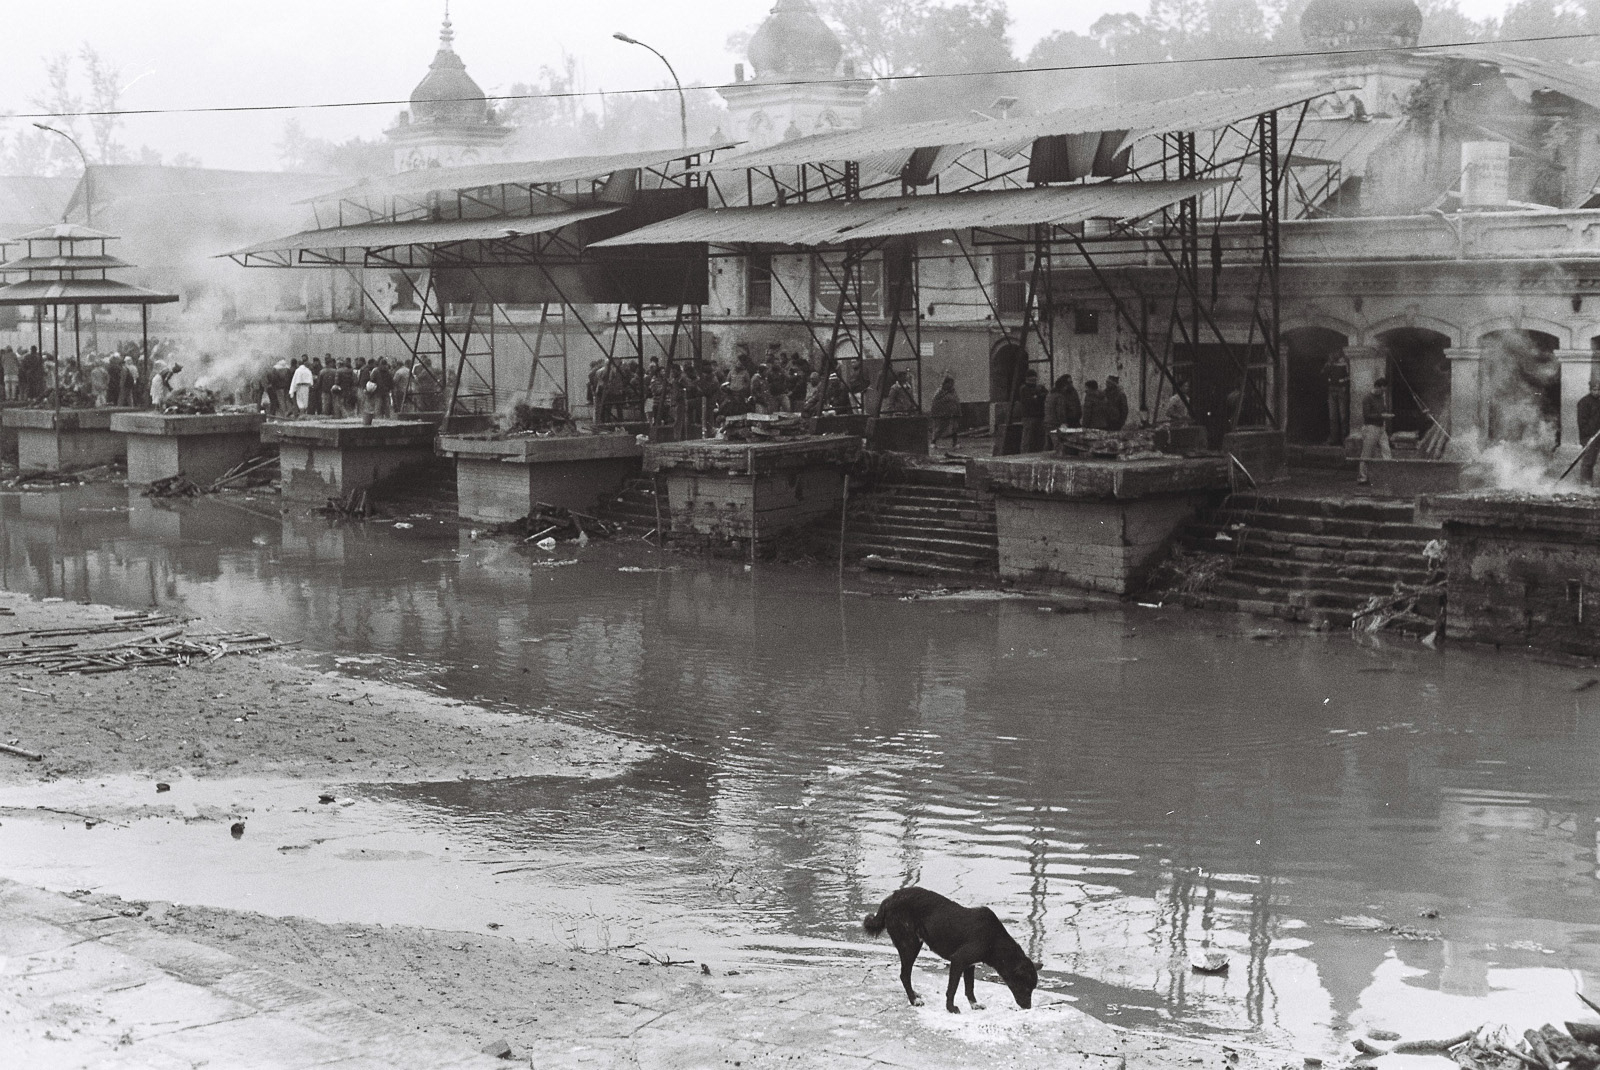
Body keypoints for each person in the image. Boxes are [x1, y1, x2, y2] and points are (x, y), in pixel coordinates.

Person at [1357, 377, 1392, 485]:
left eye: (1384, 390)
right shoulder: (1367, 398)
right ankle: (1362, 478)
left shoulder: (1381, 397)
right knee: (1367, 454)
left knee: (1387, 451)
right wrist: (1381, 415)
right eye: (1381, 390)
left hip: (1381, 428)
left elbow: (1383, 409)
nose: (1383, 392)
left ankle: (1389, 476)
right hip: (1371, 428)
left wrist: (1386, 414)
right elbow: (1366, 415)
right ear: (1376, 387)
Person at [1324, 348, 1351, 446]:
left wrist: (1343, 381)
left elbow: (1350, 376)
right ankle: (1333, 438)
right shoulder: (1330, 364)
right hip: (1332, 390)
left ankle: (1344, 439)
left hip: (1341, 390)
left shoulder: (1345, 363)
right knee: (1332, 416)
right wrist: (1328, 365)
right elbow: (1323, 373)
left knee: (1343, 416)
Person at [1018, 370, 1047, 452]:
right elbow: (1029, 401)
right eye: (1032, 377)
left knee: (1039, 438)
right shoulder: (1024, 388)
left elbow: (1045, 395)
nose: (1034, 379)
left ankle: (1038, 452)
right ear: (1027, 378)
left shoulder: (1039, 387)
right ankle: (1024, 454)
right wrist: (1037, 396)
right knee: (1027, 438)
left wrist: (1036, 396)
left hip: (1039, 415)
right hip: (1029, 416)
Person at [1578, 379, 1600, 486]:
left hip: (1599, 435)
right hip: (1589, 437)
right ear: (1590, 389)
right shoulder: (1584, 402)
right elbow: (1582, 423)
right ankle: (1585, 485)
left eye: (1599, 390)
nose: (1597, 392)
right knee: (1588, 462)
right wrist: (1591, 434)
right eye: (1595, 389)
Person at [930, 376, 960, 447]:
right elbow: (935, 402)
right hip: (942, 414)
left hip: (952, 412)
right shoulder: (940, 392)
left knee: (954, 428)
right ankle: (933, 442)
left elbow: (956, 400)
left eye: (952, 383)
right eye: (950, 383)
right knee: (940, 428)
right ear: (945, 383)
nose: (952, 385)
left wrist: (957, 410)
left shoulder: (953, 391)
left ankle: (955, 443)